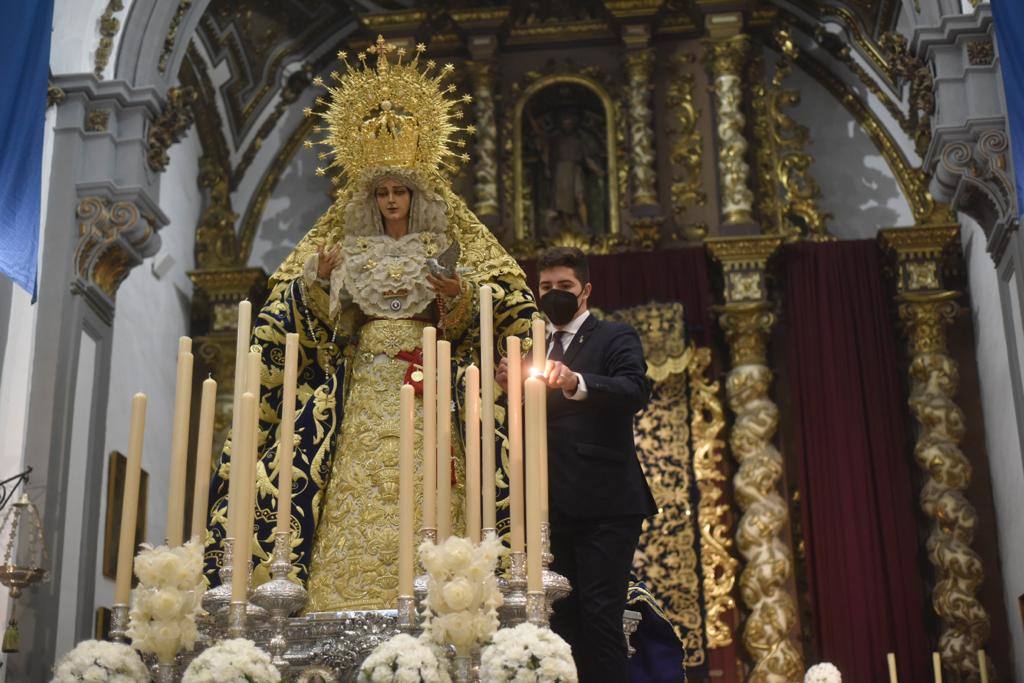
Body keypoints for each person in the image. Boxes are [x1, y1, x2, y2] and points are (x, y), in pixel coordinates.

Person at [202, 37, 536, 612]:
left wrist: (455, 299)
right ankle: (339, 594)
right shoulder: (345, 247)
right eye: (381, 192)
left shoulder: (445, 243)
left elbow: (500, 311)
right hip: (362, 383)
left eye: (399, 190)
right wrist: (319, 285)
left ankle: (445, 587)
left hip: (427, 375)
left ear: (416, 192)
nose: (390, 201)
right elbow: (312, 330)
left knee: (431, 471)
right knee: (353, 478)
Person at [498, 246, 657, 681]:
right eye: (546, 287)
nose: (554, 294)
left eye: (564, 286)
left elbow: (634, 389)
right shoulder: (531, 345)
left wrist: (576, 380)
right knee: (560, 618)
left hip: (606, 503)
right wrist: (507, 385)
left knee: (600, 616)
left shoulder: (614, 337)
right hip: (549, 503)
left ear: (585, 290)